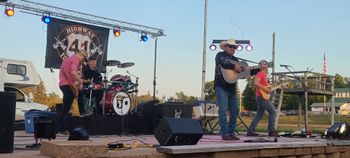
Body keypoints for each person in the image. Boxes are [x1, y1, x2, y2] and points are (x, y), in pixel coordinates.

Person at [214, 38, 242, 140]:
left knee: (235, 111)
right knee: (223, 110)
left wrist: (257, 69)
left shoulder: (236, 60)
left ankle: (231, 132)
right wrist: (235, 67)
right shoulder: (220, 55)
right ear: (225, 47)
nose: (233, 48)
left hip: (232, 88)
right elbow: (223, 62)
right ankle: (224, 133)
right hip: (221, 86)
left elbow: (243, 73)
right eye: (231, 46)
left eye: (234, 47)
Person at [57, 50, 87, 132]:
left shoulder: (67, 60)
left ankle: (82, 111)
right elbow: (73, 72)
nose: (82, 60)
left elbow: (70, 75)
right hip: (67, 85)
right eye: (83, 58)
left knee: (66, 108)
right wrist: (80, 81)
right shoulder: (75, 60)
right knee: (66, 108)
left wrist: (77, 82)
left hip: (64, 84)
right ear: (80, 55)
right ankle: (59, 128)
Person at [247, 60, 278, 137]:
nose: (266, 65)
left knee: (259, 115)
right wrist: (265, 89)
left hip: (261, 96)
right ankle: (271, 131)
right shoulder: (260, 73)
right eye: (265, 64)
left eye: (266, 64)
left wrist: (279, 86)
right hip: (261, 97)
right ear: (262, 66)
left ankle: (250, 131)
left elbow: (268, 88)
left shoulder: (264, 75)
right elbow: (256, 83)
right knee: (273, 112)